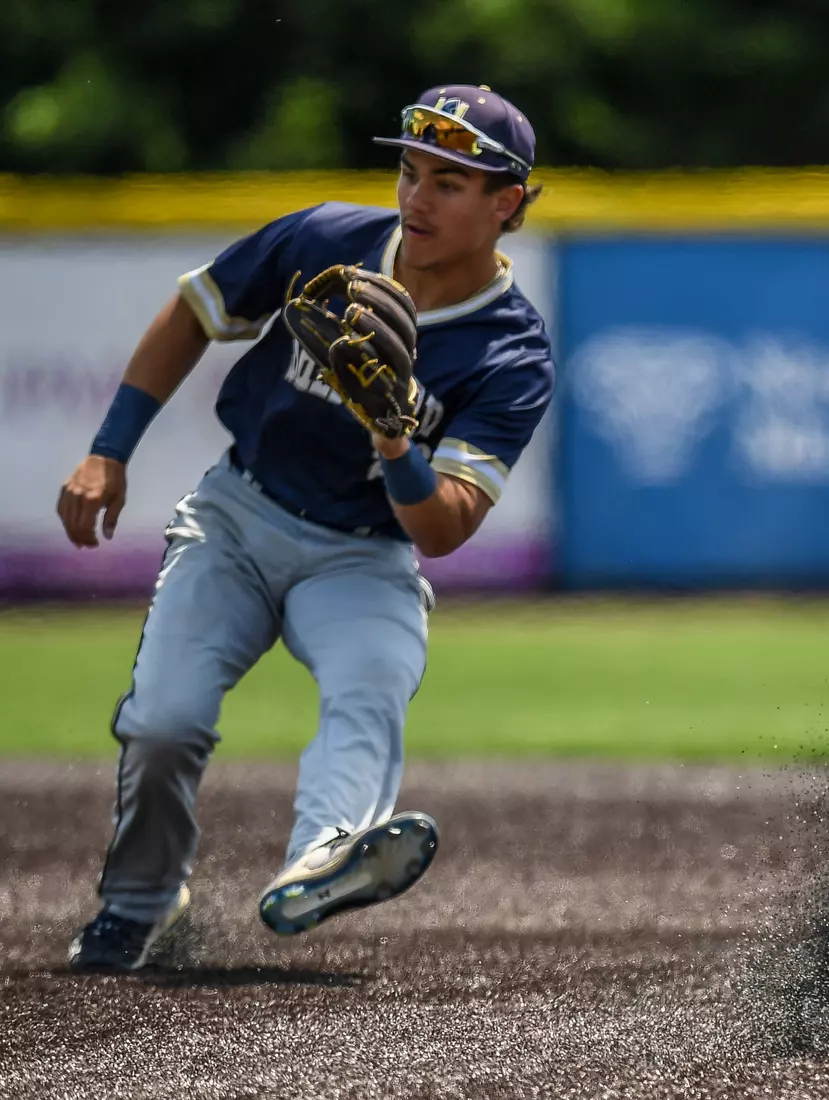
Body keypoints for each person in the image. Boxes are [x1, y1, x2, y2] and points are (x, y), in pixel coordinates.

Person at [55, 84, 555, 971]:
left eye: (449, 182)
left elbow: (442, 529)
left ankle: (324, 855)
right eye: (408, 171)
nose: (415, 196)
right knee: (163, 722)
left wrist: (395, 438)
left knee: (371, 686)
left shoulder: (509, 351)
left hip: (362, 557)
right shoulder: (325, 241)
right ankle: (137, 906)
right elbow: (194, 312)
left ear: (505, 202)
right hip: (237, 518)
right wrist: (108, 450)